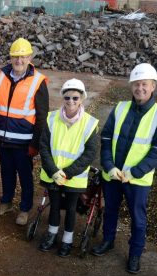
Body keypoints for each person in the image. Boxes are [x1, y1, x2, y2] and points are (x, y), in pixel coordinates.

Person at [90, 63, 157, 274]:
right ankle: (108, 240)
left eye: (144, 84)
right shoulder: (120, 108)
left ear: (153, 86)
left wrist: (135, 172)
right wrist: (108, 165)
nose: (140, 89)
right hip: (114, 175)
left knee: (138, 218)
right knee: (110, 211)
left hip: (137, 180)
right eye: (136, 84)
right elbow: (106, 137)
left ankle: (135, 254)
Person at [0, 37, 49, 226]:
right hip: (3, 138)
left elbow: (42, 116)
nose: (19, 61)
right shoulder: (2, 76)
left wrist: (35, 144)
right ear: (10, 57)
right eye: (16, 56)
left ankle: (24, 209)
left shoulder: (38, 81)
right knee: (6, 172)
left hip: (24, 142)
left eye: (23, 57)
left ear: (29, 57)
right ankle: (6, 202)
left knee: (25, 176)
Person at [37, 79, 98, 257]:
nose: (71, 101)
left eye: (75, 98)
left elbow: (90, 153)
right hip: (53, 174)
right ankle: (52, 233)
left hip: (74, 176)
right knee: (55, 206)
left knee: (71, 208)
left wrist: (68, 173)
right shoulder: (51, 118)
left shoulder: (89, 123)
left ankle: (68, 239)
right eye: (67, 97)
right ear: (63, 98)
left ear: (82, 99)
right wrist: (54, 171)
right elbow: (44, 147)